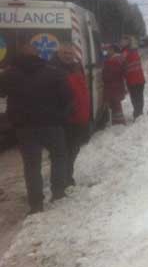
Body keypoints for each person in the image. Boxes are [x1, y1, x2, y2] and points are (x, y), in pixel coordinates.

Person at [0, 41, 72, 214]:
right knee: (59, 157)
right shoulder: (53, 72)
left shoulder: (9, 74)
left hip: (24, 128)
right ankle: (58, 192)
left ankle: (36, 204)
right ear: (38, 54)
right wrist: (61, 117)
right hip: (52, 124)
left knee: (31, 166)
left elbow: (1, 93)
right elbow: (67, 97)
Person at [52, 44, 91, 186]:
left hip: (79, 117)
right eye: (65, 53)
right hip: (64, 118)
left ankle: (68, 176)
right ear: (58, 53)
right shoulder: (53, 69)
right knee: (62, 151)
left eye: (70, 53)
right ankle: (61, 180)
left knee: (73, 149)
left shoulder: (76, 67)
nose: (68, 55)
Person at [120, 36, 146, 119]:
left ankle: (138, 114)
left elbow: (121, 66)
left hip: (132, 81)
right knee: (139, 97)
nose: (121, 43)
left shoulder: (125, 53)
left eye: (123, 41)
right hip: (140, 79)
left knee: (135, 98)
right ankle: (139, 114)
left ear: (127, 42)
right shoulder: (134, 51)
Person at [103, 45, 127, 125]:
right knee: (115, 104)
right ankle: (117, 121)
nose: (107, 52)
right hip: (118, 85)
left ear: (113, 50)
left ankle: (119, 122)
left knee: (116, 105)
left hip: (114, 86)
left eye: (108, 50)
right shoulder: (120, 59)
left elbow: (108, 75)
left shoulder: (113, 61)